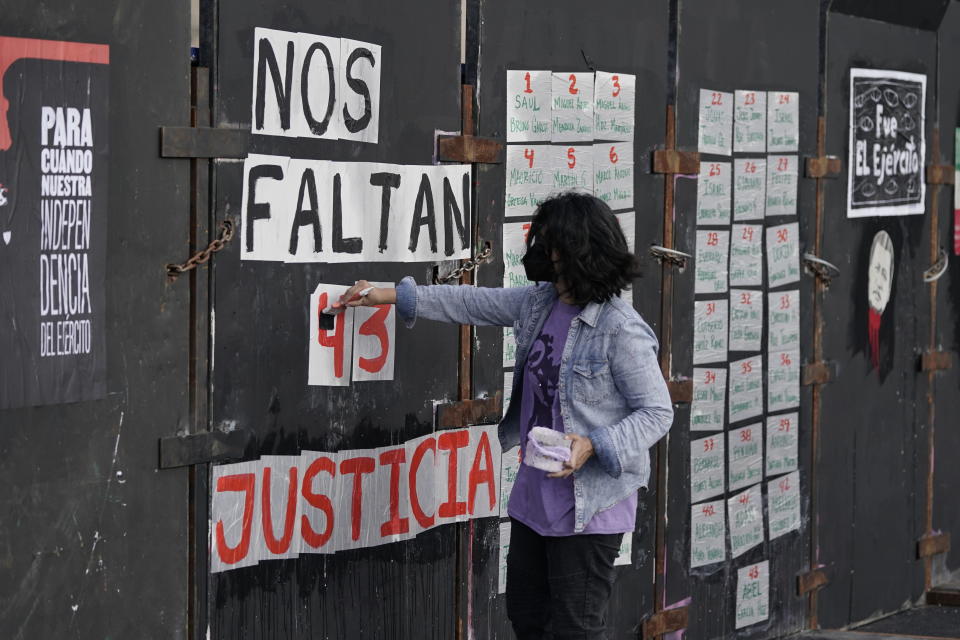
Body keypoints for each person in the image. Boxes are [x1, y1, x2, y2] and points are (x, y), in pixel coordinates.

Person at [336, 192, 674, 640]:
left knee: (576, 629)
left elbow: (657, 411)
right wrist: (385, 295)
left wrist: (592, 444)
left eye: (551, 245)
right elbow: (472, 302)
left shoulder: (620, 328)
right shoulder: (539, 303)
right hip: (535, 495)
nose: (541, 254)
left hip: (588, 505)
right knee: (527, 617)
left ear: (578, 251)